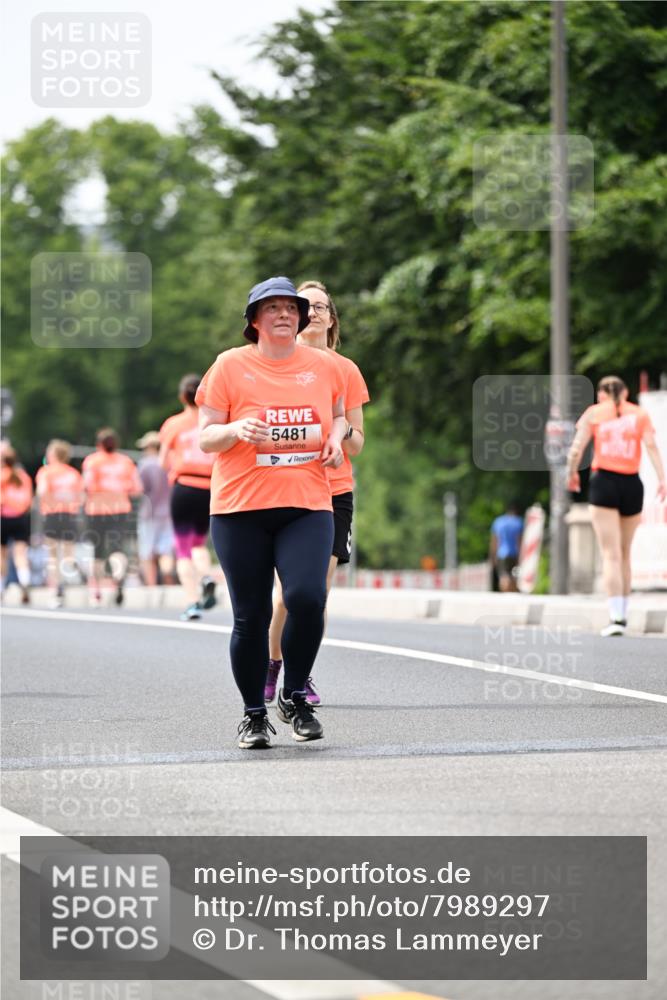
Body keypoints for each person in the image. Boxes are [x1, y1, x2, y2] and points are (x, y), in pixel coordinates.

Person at [196, 276, 346, 749]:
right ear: (255, 320)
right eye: (273, 307)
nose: (284, 314)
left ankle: (296, 695)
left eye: (291, 307)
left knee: (306, 597)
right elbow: (206, 437)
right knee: (251, 615)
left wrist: (338, 438)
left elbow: (339, 414)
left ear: (301, 317)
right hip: (241, 508)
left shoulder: (324, 366)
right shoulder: (229, 366)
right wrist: (237, 428)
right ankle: (253, 714)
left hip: (307, 503)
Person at [266, 280, 369, 705]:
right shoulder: (279, 364)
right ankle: (271, 662)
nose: (315, 312)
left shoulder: (346, 370)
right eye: (306, 305)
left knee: (314, 595)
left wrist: (339, 432)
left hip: (333, 491)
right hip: (286, 487)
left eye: (323, 305)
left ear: (331, 317)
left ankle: (300, 675)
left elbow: (358, 440)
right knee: (286, 595)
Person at [567, 375, 667, 636]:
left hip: (604, 482)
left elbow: (576, 449)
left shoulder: (594, 413)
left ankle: (616, 617)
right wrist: (662, 479)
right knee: (625, 552)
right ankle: (624, 611)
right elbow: (652, 447)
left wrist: (572, 473)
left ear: (602, 393)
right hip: (632, 483)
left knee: (610, 553)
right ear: (626, 393)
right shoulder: (639, 414)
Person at [159, 374, 217, 621]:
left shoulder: (173, 424)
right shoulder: (214, 420)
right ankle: (206, 576)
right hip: (209, 487)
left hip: (184, 486)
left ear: (183, 396)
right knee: (199, 544)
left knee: (183, 549)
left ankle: (192, 602)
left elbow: (163, 461)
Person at [81, 428, 143, 607]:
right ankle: (117, 579)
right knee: (117, 549)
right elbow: (137, 489)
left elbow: (88, 485)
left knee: (97, 552)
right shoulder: (126, 462)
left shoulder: (92, 461)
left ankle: (97, 592)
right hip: (120, 509)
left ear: (98, 444)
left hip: (97, 510)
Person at [35, 439, 84, 607]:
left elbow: (41, 491)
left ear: (54, 454)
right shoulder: (73, 474)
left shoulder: (46, 472)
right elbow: (81, 496)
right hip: (69, 514)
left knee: (52, 555)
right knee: (68, 552)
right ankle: (72, 570)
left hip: (52, 514)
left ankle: (55, 590)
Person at [135, 431, 175, 587]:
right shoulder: (171, 462)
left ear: (152, 446)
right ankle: (167, 580)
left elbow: (139, 489)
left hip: (149, 513)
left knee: (147, 552)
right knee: (166, 551)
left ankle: (152, 587)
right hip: (169, 512)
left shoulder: (146, 464)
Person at [1, 445, 34, 604]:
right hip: (21, 519)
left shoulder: (2, 476)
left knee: (2, 555)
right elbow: (28, 500)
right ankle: (25, 582)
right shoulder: (23, 476)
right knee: (20, 554)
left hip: (4, 518)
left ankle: (1, 587)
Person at [489, 503, 523, 593]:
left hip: (502, 553)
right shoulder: (518, 522)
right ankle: (511, 592)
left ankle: (505, 593)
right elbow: (519, 541)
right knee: (514, 575)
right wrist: (521, 556)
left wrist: (493, 556)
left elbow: (495, 541)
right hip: (515, 553)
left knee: (503, 575)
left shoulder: (498, 522)